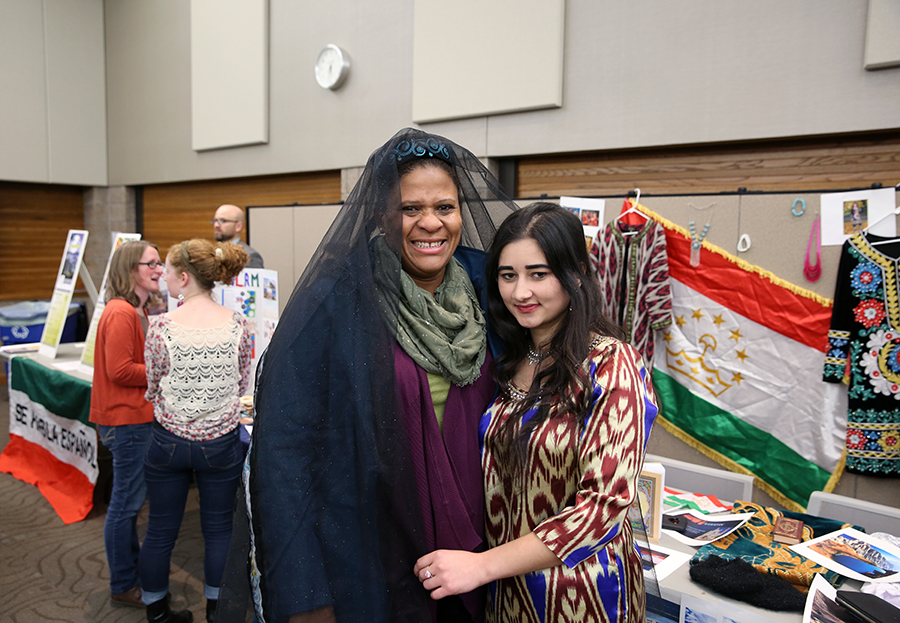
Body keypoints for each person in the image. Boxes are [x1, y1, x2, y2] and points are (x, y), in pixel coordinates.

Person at [217, 129, 517, 623]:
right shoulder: (336, 301)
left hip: (480, 558)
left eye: (444, 206)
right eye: (410, 208)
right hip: (372, 555)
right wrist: (306, 594)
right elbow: (285, 454)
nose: (430, 223)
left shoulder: (490, 289)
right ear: (381, 214)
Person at [414, 202, 658, 622]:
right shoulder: (510, 357)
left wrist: (479, 566)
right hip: (508, 594)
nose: (520, 292)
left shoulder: (612, 363)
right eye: (508, 276)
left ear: (576, 273)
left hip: (581, 597)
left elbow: (603, 507)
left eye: (538, 274)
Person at [140, 239, 252, 623]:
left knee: (159, 530)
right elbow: (241, 385)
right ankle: (216, 610)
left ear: (184, 278)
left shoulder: (160, 328)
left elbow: (152, 385)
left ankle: (156, 611)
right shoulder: (239, 324)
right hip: (221, 442)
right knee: (220, 529)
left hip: (168, 441)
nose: (163, 279)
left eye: (167, 272)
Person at [90, 240, 165, 608]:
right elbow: (119, 370)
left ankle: (129, 574)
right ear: (130, 269)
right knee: (125, 505)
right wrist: (166, 369)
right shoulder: (120, 313)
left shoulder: (136, 309)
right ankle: (123, 583)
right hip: (128, 422)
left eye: (159, 263)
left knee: (129, 503)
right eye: (151, 264)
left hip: (134, 420)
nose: (159, 269)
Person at [213, 204, 264, 268]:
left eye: (223, 221)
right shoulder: (212, 253)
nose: (216, 225)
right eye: (215, 220)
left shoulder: (250, 256)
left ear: (238, 226)